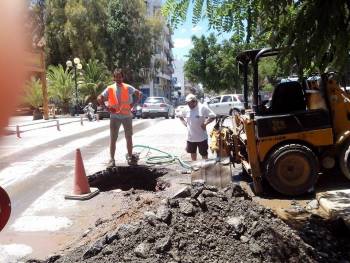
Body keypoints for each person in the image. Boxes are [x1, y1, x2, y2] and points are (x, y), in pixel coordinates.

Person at [97, 68, 142, 167]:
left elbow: (139, 94)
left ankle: (130, 157)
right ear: (114, 78)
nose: (118, 79)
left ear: (123, 77)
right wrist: (107, 108)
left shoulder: (128, 87)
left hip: (127, 116)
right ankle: (112, 159)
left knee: (128, 137)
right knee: (113, 138)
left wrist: (133, 104)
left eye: (120, 77)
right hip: (114, 117)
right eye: (116, 77)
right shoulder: (110, 88)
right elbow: (99, 98)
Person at [179, 93, 216, 161]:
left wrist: (205, 123)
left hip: (202, 137)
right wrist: (185, 123)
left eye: (190, 103)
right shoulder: (186, 108)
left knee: (204, 153)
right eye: (187, 103)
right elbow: (180, 116)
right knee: (192, 153)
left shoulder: (202, 107)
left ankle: (205, 168)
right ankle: (194, 167)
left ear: (195, 101)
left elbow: (213, 116)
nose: (189, 105)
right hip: (190, 138)